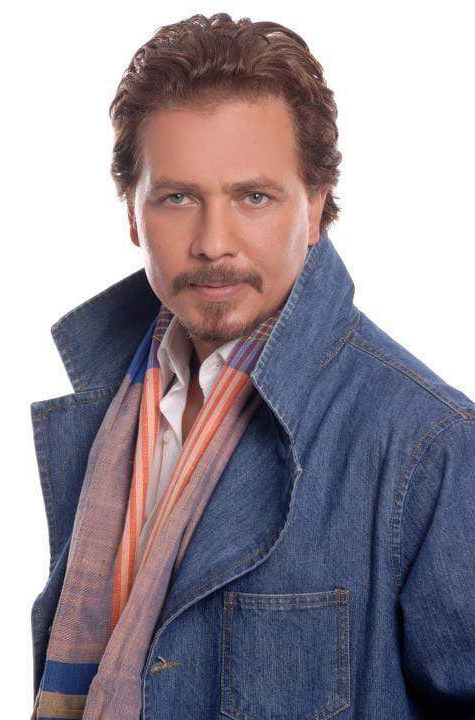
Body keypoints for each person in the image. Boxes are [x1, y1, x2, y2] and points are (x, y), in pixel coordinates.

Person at [29, 13, 475, 720]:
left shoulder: (427, 442)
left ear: (316, 207)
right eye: (178, 197)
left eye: (254, 197)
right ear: (133, 215)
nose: (214, 242)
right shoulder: (107, 412)